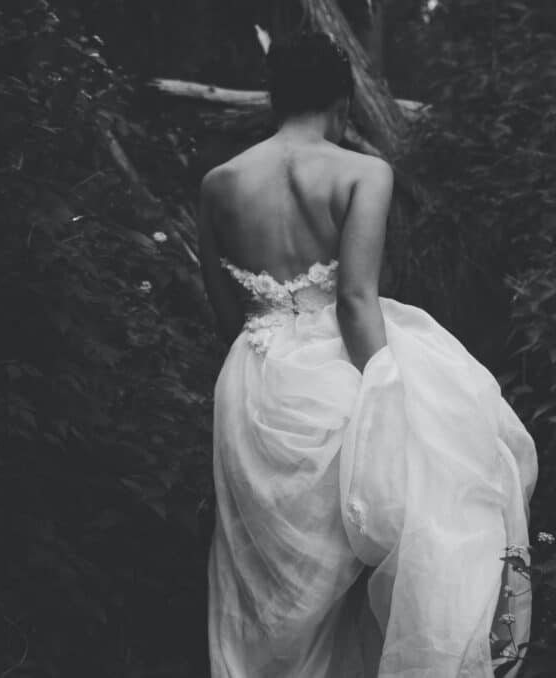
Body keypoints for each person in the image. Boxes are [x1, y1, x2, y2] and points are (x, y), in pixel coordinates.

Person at [199, 31, 538, 678]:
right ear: (343, 100)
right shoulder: (363, 172)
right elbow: (356, 300)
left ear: (273, 98)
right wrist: (392, 391)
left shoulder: (219, 184)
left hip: (255, 377)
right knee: (392, 540)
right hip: (343, 366)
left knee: (280, 582)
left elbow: (225, 314)